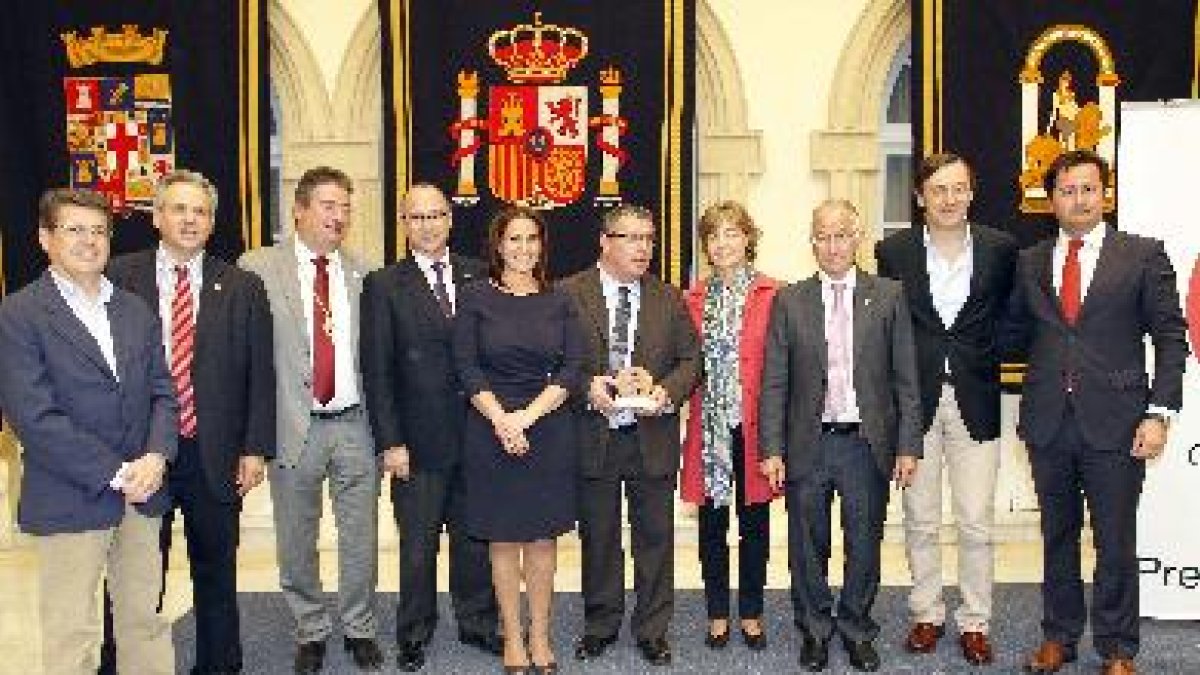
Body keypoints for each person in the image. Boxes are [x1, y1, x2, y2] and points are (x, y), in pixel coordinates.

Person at [1002, 150, 1187, 675]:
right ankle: (1058, 637)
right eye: (1066, 190)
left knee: (1114, 540)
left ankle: (1118, 649)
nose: (1078, 199)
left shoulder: (1143, 256)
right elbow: (1015, 334)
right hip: (1047, 423)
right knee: (1056, 535)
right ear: (1050, 199)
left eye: (1088, 189)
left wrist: (1159, 413)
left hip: (1120, 422)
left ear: (1105, 194)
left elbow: (1171, 337)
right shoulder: (1030, 262)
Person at [98, 170, 276, 675]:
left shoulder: (242, 285)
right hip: (140, 454)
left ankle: (220, 665)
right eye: (179, 209)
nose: (190, 219)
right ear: (157, 217)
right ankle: (121, 665)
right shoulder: (119, 277)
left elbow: (259, 372)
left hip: (212, 453)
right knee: (134, 577)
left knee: (216, 574)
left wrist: (254, 448)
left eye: (200, 211)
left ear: (212, 221)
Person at [0, 188, 177, 675]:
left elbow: (164, 391)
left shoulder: (134, 309)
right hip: (72, 496)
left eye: (98, 231)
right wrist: (117, 472)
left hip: (144, 493)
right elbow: (33, 417)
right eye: (74, 229)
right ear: (45, 238)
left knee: (144, 622)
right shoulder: (20, 315)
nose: (89, 241)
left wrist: (158, 457)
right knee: (72, 634)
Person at [759, 199, 921, 673]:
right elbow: (774, 381)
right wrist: (771, 448)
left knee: (864, 544)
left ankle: (855, 629)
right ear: (812, 242)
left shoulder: (888, 296)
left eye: (841, 235)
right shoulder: (790, 300)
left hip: (865, 444)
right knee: (807, 547)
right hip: (807, 443)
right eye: (822, 237)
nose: (832, 246)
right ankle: (814, 630)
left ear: (857, 238)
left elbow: (906, 380)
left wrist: (908, 445)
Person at [239, 166, 383, 674]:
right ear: (298, 209)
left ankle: (360, 627)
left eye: (345, 207)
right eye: (328, 205)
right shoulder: (256, 269)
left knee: (360, 536)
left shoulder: (364, 273)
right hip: (291, 426)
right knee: (296, 537)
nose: (338, 216)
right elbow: (246, 358)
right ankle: (311, 629)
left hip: (355, 425)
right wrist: (249, 439)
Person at [874, 153, 1017, 666]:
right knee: (920, 519)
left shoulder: (1001, 249)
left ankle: (976, 621)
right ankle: (927, 613)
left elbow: (1012, 317)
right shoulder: (894, 251)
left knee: (977, 520)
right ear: (920, 198)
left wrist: (987, 355)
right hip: (915, 402)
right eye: (939, 190)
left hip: (977, 398)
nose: (950, 199)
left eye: (959, 189)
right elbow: (889, 329)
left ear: (971, 194)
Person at [360, 183, 500, 672]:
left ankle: (478, 623)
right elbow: (377, 372)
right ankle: (414, 632)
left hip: (478, 437)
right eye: (417, 217)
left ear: (450, 219)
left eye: (436, 215)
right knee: (417, 547)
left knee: (474, 540)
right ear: (403, 224)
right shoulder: (382, 286)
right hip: (415, 445)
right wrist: (390, 442)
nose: (428, 225)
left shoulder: (480, 276)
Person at [561, 204, 700, 667]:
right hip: (593, 436)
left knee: (654, 540)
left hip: (650, 435)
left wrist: (664, 390)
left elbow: (690, 362)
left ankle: (653, 629)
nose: (643, 248)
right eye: (632, 238)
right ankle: (600, 625)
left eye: (649, 239)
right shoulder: (568, 293)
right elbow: (555, 360)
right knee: (599, 538)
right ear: (605, 241)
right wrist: (587, 386)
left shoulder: (667, 297)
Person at [452, 205, 585, 674]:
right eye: (514, 239)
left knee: (543, 540)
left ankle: (541, 636)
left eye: (532, 239)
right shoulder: (474, 297)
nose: (523, 248)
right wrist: (502, 421)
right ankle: (512, 638)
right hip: (489, 428)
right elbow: (466, 366)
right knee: (504, 540)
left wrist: (525, 418)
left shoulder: (562, 299)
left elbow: (571, 368)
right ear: (498, 245)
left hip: (546, 426)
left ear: (542, 246)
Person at [679, 201, 779, 651]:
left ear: (748, 239)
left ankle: (752, 612)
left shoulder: (775, 294)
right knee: (711, 526)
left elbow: (782, 367)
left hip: (756, 428)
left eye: (732, 233)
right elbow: (682, 363)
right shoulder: (691, 299)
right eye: (714, 236)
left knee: (754, 523)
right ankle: (718, 612)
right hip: (709, 429)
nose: (723, 243)